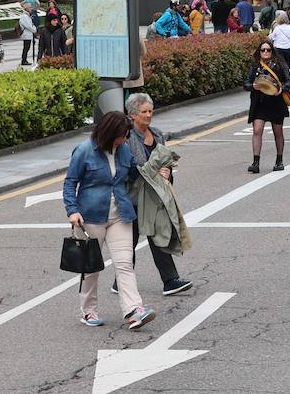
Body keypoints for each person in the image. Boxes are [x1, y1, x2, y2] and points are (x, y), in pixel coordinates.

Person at [63, 111, 156, 331]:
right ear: (109, 133)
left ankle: (134, 310)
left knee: (125, 264)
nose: (124, 140)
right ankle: (88, 311)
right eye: (122, 136)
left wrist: (158, 170)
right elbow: (70, 182)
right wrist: (72, 210)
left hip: (120, 214)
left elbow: (135, 174)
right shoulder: (84, 151)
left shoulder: (123, 151)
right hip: (90, 216)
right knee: (92, 267)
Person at [122, 94, 193, 296]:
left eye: (150, 111)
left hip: (154, 196)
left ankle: (170, 280)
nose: (148, 115)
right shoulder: (126, 138)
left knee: (158, 234)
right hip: (135, 196)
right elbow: (127, 168)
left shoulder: (158, 134)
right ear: (133, 114)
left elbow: (166, 161)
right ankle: (121, 282)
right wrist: (152, 171)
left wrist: (167, 172)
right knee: (130, 241)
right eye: (144, 111)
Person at [244, 39, 290, 173]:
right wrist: (253, 86)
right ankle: (255, 162)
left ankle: (279, 160)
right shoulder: (255, 66)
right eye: (263, 50)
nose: (265, 52)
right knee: (257, 130)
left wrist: (282, 89)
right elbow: (246, 83)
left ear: (272, 51)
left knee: (278, 132)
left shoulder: (280, 64)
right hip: (259, 103)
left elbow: (289, 81)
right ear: (259, 52)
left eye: (268, 50)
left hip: (276, 102)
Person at [17, 2, 37, 66]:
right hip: (26, 34)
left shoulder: (27, 15)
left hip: (28, 34)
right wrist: (34, 30)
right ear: (26, 8)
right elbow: (28, 26)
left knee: (26, 47)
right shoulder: (24, 16)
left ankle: (24, 59)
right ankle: (24, 60)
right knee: (26, 48)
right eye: (30, 7)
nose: (31, 8)